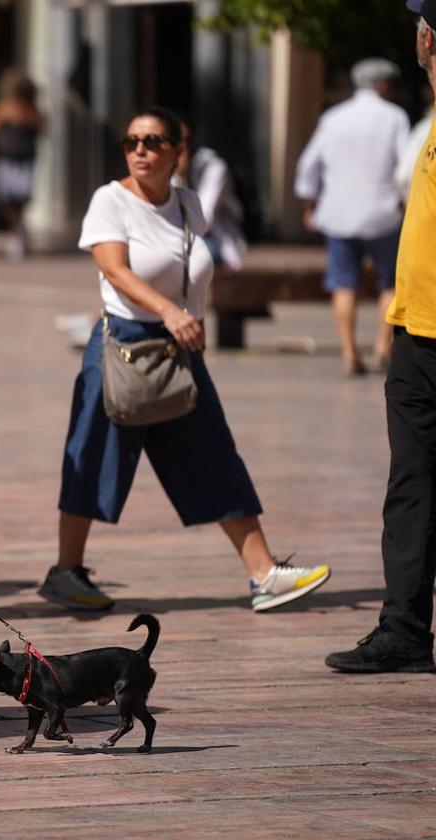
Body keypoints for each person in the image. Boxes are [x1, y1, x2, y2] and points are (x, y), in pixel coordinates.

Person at [42, 107, 332, 614]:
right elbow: (114, 270)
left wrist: (184, 317)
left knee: (214, 454)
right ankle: (66, 572)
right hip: (123, 346)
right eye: (131, 141)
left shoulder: (188, 203)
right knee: (94, 457)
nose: (140, 151)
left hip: (180, 348)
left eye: (154, 141)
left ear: (179, 149)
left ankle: (264, 575)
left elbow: (193, 270)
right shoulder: (109, 201)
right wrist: (170, 312)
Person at [326, 1, 436, 675]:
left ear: (424, 39)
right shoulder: (423, 123)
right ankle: (403, 628)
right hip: (417, 334)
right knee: (412, 485)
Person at [295, 58, 410, 376]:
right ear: (384, 84)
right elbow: (405, 169)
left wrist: (309, 205)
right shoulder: (395, 117)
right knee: (390, 282)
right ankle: (382, 347)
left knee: (343, 283)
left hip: (339, 214)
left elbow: (309, 164)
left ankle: (349, 352)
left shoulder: (334, 117)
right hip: (383, 214)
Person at [0, 69, 44, 261]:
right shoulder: (5, 108)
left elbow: (41, 128)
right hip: (9, 157)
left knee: (20, 198)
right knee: (8, 198)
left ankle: (17, 232)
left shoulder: (32, 111)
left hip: (22, 158)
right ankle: (17, 231)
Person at [175, 122, 246, 271]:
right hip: (182, 235)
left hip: (215, 236)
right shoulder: (169, 169)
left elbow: (204, 218)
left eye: (182, 142)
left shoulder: (214, 167)